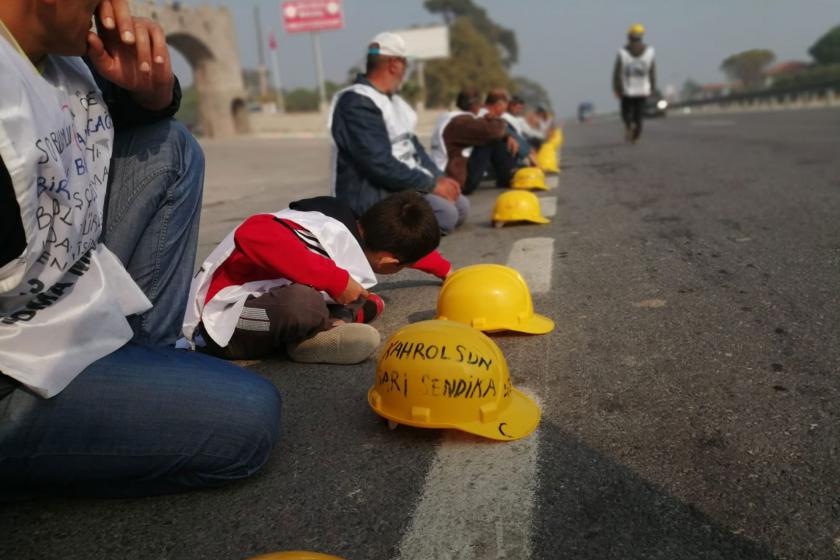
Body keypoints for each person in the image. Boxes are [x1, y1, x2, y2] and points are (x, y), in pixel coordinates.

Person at [0, 0, 280, 498]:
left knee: (170, 145)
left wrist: (152, 91)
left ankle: (142, 362)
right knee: (246, 420)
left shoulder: (61, 55)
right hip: (12, 364)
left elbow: (127, 112)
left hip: (57, 299)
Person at [181, 192, 450, 364]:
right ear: (389, 262)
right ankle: (310, 334)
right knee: (305, 304)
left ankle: (322, 328)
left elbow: (407, 249)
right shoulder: (327, 235)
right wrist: (335, 280)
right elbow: (252, 232)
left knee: (363, 299)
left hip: (270, 293)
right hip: (217, 319)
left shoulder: (348, 222)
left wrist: (445, 270)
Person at [328, 32, 469, 235]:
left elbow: (415, 149)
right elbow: (378, 164)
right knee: (447, 214)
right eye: (405, 65)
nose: (405, 71)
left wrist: (439, 179)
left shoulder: (395, 102)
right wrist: (430, 185)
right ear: (394, 64)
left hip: (402, 184)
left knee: (460, 206)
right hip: (373, 195)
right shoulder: (357, 102)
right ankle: (380, 243)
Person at [429, 88, 507, 190]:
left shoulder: (447, 117)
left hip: (442, 172)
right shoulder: (462, 122)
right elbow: (497, 131)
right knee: (491, 140)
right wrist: (495, 119)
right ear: (476, 105)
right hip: (456, 181)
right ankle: (506, 177)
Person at [462, 89, 522, 195]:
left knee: (498, 139)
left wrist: (507, 136)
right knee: (493, 140)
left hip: (469, 168)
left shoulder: (488, 117)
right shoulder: (482, 116)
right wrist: (508, 136)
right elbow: (493, 131)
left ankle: (506, 176)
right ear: (499, 105)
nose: (505, 110)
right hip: (465, 177)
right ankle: (506, 176)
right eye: (505, 106)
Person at [613, 23, 657, 143]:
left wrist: (617, 88)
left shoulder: (623, 52)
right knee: (638, 114)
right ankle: (636, 132)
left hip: (627, 90)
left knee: (625, 112)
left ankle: (628, 126)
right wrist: (652, 87)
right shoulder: (650, 52)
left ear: (629, 36)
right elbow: (652, 72)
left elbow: (617, 72)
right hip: (642, 89)